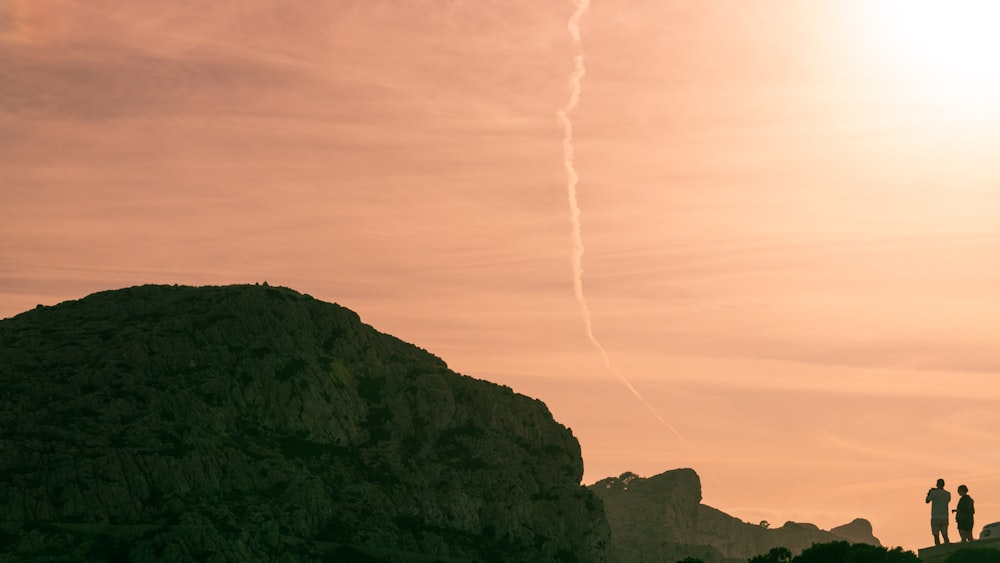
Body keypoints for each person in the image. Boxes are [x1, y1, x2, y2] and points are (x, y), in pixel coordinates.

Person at [926, 478, 952, 545]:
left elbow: (927, 501)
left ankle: (938, 548)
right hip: (945, 516)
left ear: (937, 484)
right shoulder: (948, 494)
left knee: (936, 535)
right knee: (945, 535)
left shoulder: (934, 493)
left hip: (935, 517)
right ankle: (947, 547)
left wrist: (929, 492)